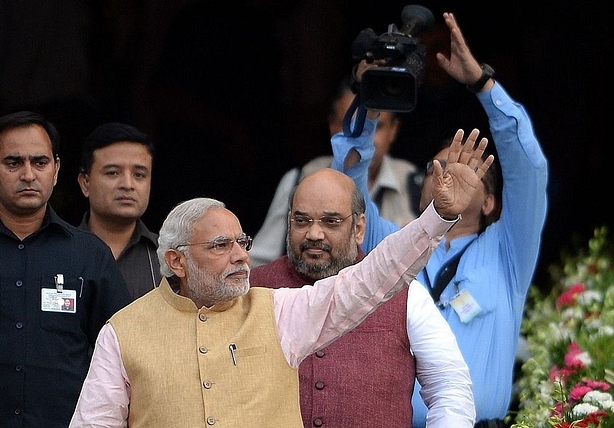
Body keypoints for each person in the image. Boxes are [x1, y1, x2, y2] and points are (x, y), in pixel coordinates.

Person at [68, 129, 494, 427]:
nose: (240, 256)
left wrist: (438, 217)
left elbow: (371, 279)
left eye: (242, 241)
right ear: (177, 262)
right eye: (220, 246)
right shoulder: (123, 331)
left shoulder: (275, 308)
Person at [331, 12, 549, 427]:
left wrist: (483, 84)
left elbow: (529, 169)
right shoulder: (391, 244)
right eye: (440, 165)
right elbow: (348, 192)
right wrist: (369, 105)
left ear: (489, 204)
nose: (450, 174)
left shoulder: (509, 252)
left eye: (469, 168)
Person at [249, 167, 475, 427]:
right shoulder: (254, 289)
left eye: (330, 221)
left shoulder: (405, 294)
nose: (314, 234)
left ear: (359, 228)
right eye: (302, 221)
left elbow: (449, 388)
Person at [0, 111, 132, 427]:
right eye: (13, 163)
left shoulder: (90, 255)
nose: (29, 174)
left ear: (56, 170)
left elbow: (125, 352)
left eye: (40, 162)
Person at [250, 76, 421, 267]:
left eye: (376, 126)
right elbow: (258, 263)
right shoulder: (299, 179)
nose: (363, 138)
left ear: (394, 130)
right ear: (332, 126)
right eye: (351, 126)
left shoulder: (416, 183)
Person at [77, 122, 161, 300]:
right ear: (85, 183)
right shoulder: (58, 253)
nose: (128, 185)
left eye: (139, 175)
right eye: (113, 173)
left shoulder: (169, 258)